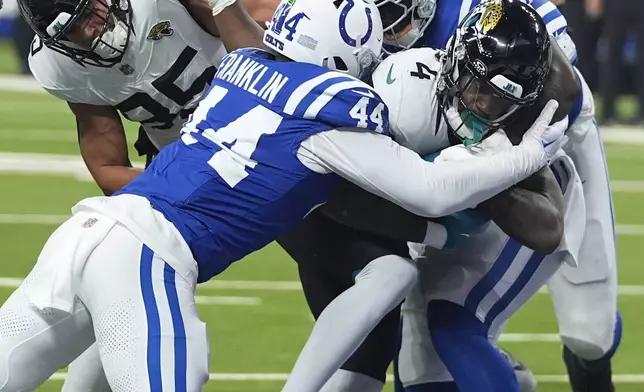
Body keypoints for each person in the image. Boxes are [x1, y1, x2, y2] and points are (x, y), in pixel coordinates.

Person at [0, 0, 567, 391]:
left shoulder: (240, 69)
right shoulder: (331, 110)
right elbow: (432, 190)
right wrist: (521, 156)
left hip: (88, 234)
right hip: (149, 257)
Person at [381, 1, 621, 391]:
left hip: (544, 153)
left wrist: (465, 165)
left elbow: (562, 96)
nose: (383, 27)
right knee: (424, 344)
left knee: (589, 334)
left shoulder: (492, 16)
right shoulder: (349, 22)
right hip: (453, 170)